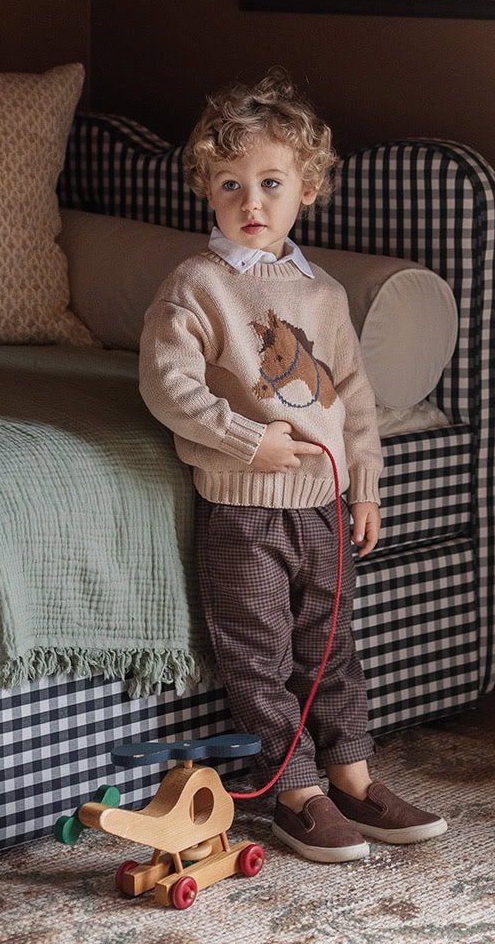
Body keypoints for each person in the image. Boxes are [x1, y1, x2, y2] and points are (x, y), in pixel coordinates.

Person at [139, 68, 447, 863]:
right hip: (242, 509)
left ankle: (352, 775)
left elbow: (353, 397)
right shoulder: (196, 286)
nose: (251, 203)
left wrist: (366, 486)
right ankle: (294, 792)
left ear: (306, 189)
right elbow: (166, 383)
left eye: (271, 184)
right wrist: (248, 440)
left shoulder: (323, 294)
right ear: (208, 188)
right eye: (232, 184)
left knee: (331, 645)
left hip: (322, 508)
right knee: (260, 653)